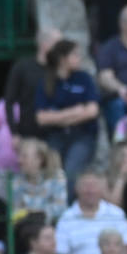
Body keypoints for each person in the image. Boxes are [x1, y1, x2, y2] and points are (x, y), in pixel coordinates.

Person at [35, 40, 101, 186]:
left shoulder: (84, 78)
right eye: (75, 55)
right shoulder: (46, 81)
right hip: (56, 136)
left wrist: (57, 117)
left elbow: (92, 111)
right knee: (53, 173)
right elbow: (41, 118)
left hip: (82, 136)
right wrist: (73, 112)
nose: (79, 58)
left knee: (72, 171)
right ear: (62, 58)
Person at [55, 172, 127, 254]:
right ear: (76, 189)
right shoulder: (66, 218)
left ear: (102, 189)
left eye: (94, 185)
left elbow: (125, 252)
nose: (90, 190)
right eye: (85, 185)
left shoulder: (116, 214)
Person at [7, 139, 68, 224]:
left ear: (39, 159)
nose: (19, 160)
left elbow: (60, 208)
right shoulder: (16, 180)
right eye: (19, 156)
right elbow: (14, 211)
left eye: (24, 156)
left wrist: (32, 213)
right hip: (25, 229)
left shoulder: (57, 176)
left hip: (51, 227)